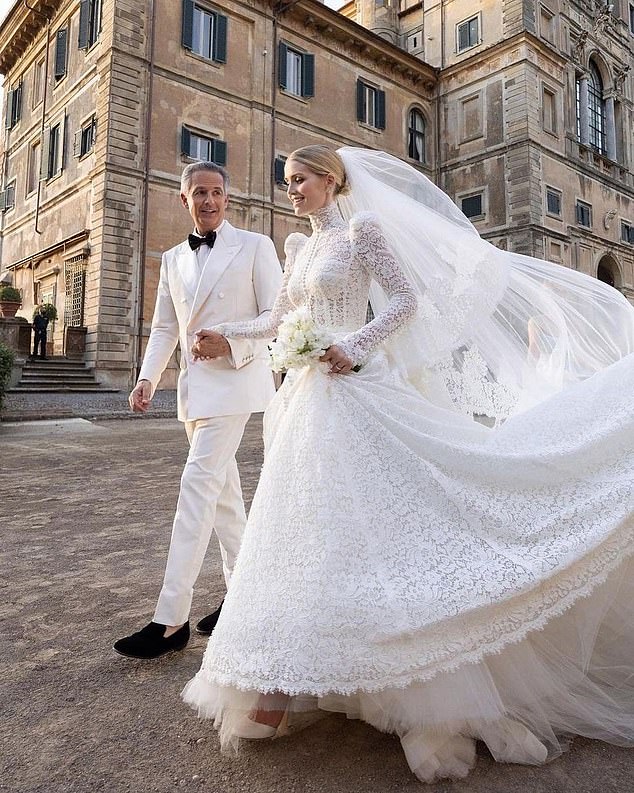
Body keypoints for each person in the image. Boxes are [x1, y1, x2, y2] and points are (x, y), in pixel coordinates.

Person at [182, 146, 634, 783]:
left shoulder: (362, 230)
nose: (292, 191)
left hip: (356, 390)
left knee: (380, 531)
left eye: (301, 180)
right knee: (303, 535)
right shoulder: (298, 249)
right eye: (286, 183)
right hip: (308, 404)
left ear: (330, 180)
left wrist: (354, 345)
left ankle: (411, 688)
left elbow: (401, 302)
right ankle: (284, 680)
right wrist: (231, 335)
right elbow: (281, 317)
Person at [113, 161, 282, 660]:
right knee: (226, 501)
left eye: (216, 192)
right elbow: (165, 326)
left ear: (228, 197)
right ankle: (246, 595)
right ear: (182, 199)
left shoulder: (255, 246)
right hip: (193, 393)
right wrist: (147, 378)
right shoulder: (171, 259)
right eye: (198, 194)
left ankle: (171, 619)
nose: (208, 201)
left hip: (236, 384)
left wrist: (230, 344)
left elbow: (277, 316)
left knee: (196, 490)